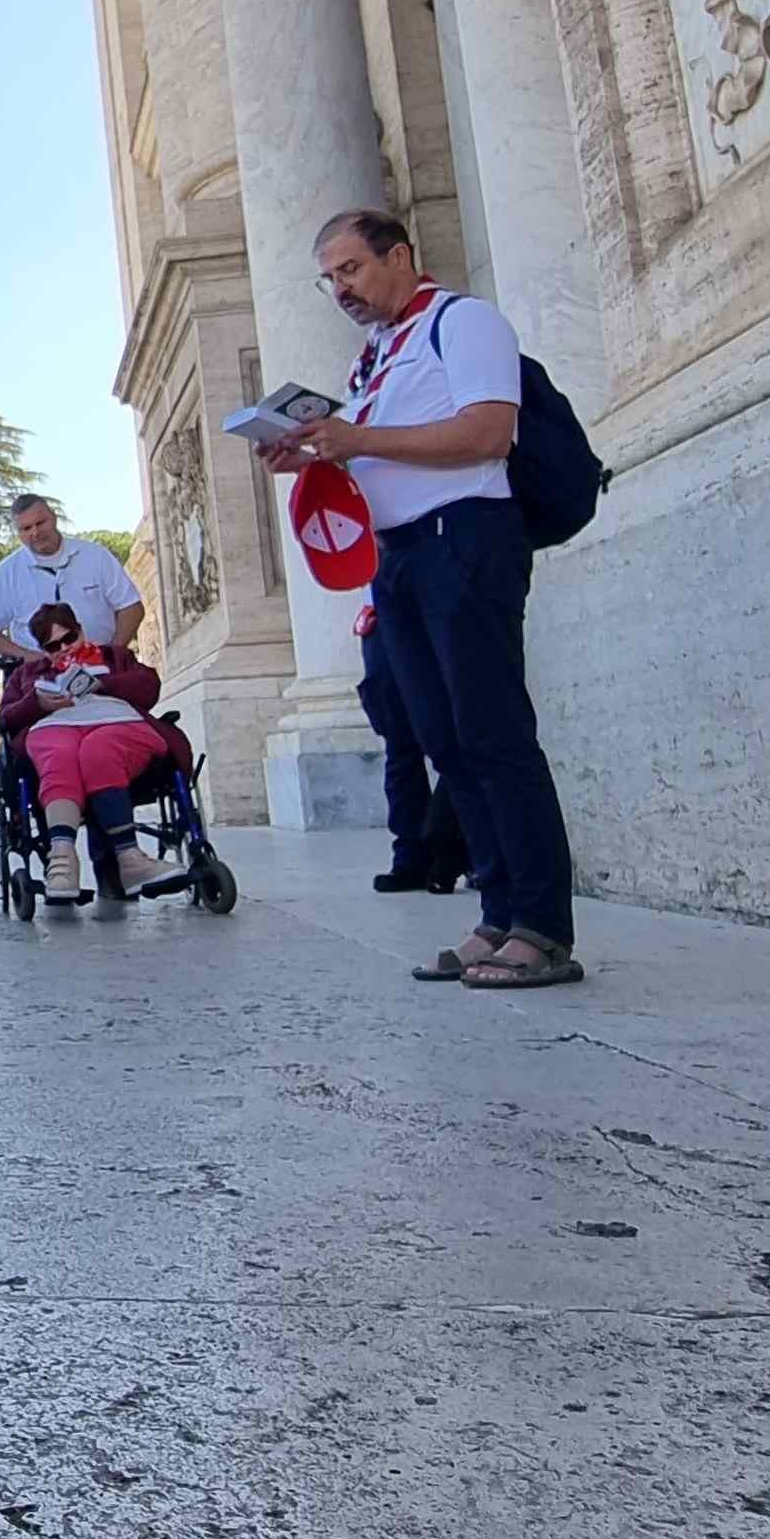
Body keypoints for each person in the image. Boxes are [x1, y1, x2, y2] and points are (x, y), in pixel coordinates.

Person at [262, 208, 579, 987]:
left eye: (351, 269)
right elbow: (377, 457)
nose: (340, 288)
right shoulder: (375, 358)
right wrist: (312, 459)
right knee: (445, 741)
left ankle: (542, 926)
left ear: (399, 255)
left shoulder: (461, 323)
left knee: (495, 734)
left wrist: (360, 440)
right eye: (329, 278)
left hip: (465, 540)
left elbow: (485, 435)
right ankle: (498, 913)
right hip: (400, 558)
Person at [0, 601, 175, 903]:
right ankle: (62, 862)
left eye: (69, 638)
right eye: (53, 646)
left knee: (98, 748)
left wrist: (100, 684)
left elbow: (148, 686)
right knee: (59, 752)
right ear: (43, 649)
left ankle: (129, 860)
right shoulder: (28, 674)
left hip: (115, 723)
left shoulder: (115, 657)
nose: (63, 649)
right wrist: (37, 703)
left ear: (80, 630)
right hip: (55, 728)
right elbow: (5, 717)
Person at [354, 600, 467, 893]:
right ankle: (411, 857)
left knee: (459, 739)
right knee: (399, 743)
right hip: (383, 612)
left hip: (436, 603)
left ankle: (456, 849)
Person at [0, 495, 146, 672]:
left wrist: (112, 655)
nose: (35, 532)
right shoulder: (7, 573)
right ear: (18, 533)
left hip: (103, 668)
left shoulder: (95, 556)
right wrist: (31, 658)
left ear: (54, 517)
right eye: (26, 528)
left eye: (40, 523)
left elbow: (132, 608)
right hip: (40, 676)